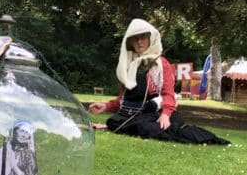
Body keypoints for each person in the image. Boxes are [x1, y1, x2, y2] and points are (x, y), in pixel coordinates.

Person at [89, 18, 230, 145]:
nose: (139, 41)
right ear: (130, 41)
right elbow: (125, 98)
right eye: (135, 38)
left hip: (154, 113)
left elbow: (168, 94)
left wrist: (165, 115)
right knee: (114, 122)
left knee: (149, 128)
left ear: (150, 39)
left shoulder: (161, 64)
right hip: (130, 116)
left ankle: (201, 136)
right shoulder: (128, 65)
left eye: (143, 37)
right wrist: (106, 106)